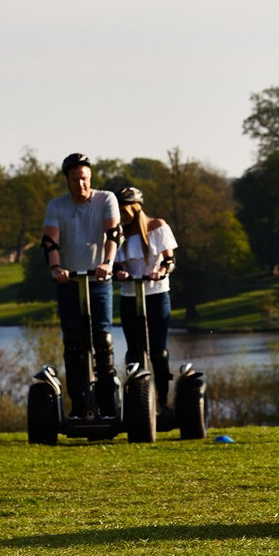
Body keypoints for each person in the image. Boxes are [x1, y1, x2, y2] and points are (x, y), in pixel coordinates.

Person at [41, 153, 121, 416]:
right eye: (75, 180)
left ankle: (108, 404)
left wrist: (108, 263)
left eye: (84, 179)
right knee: (74, 344)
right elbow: (51, 241)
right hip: (69, 281)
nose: (81, 185)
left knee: (102, 340)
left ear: (91, 178)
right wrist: (55, 267)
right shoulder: (56, 205)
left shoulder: (106, 198)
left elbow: (113, 233)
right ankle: (78, 405)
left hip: (99, 281)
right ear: (68, 180)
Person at [113, 187, 179, 412]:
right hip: (130, 296)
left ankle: (162, 399)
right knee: (134, 351)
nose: (121, 215)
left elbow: (170, 259)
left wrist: (161, 270)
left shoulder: (157, 226)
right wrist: (118, 272)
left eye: (124, 210)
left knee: (158, 351)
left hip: (156, 294)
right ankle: (137, 402)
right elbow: (113, 263)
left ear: (136, 207)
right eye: (118, 210)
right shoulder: (117, 234)